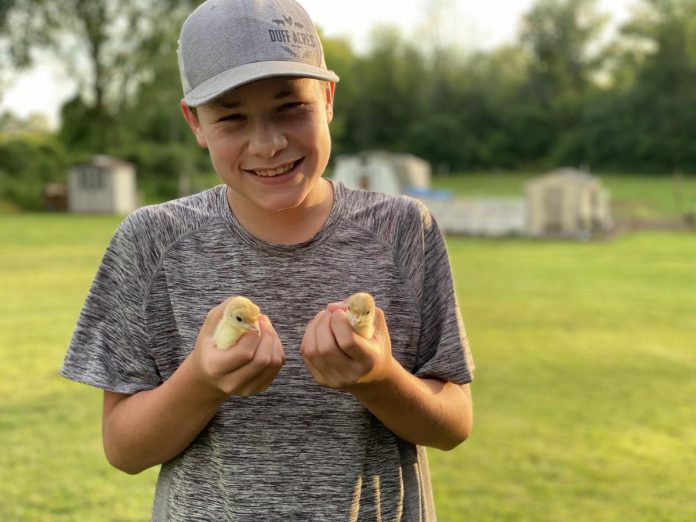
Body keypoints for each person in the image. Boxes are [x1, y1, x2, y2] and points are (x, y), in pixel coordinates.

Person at [61, 0, 474, 519]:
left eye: (290, 108)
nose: (269, 144)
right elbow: (123, 449)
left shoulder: (403, 230)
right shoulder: (152, 241)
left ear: (326, 97)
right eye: (232, 118)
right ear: (196, 122)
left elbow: (454, 424)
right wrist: (202, 380)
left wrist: (381, 379)